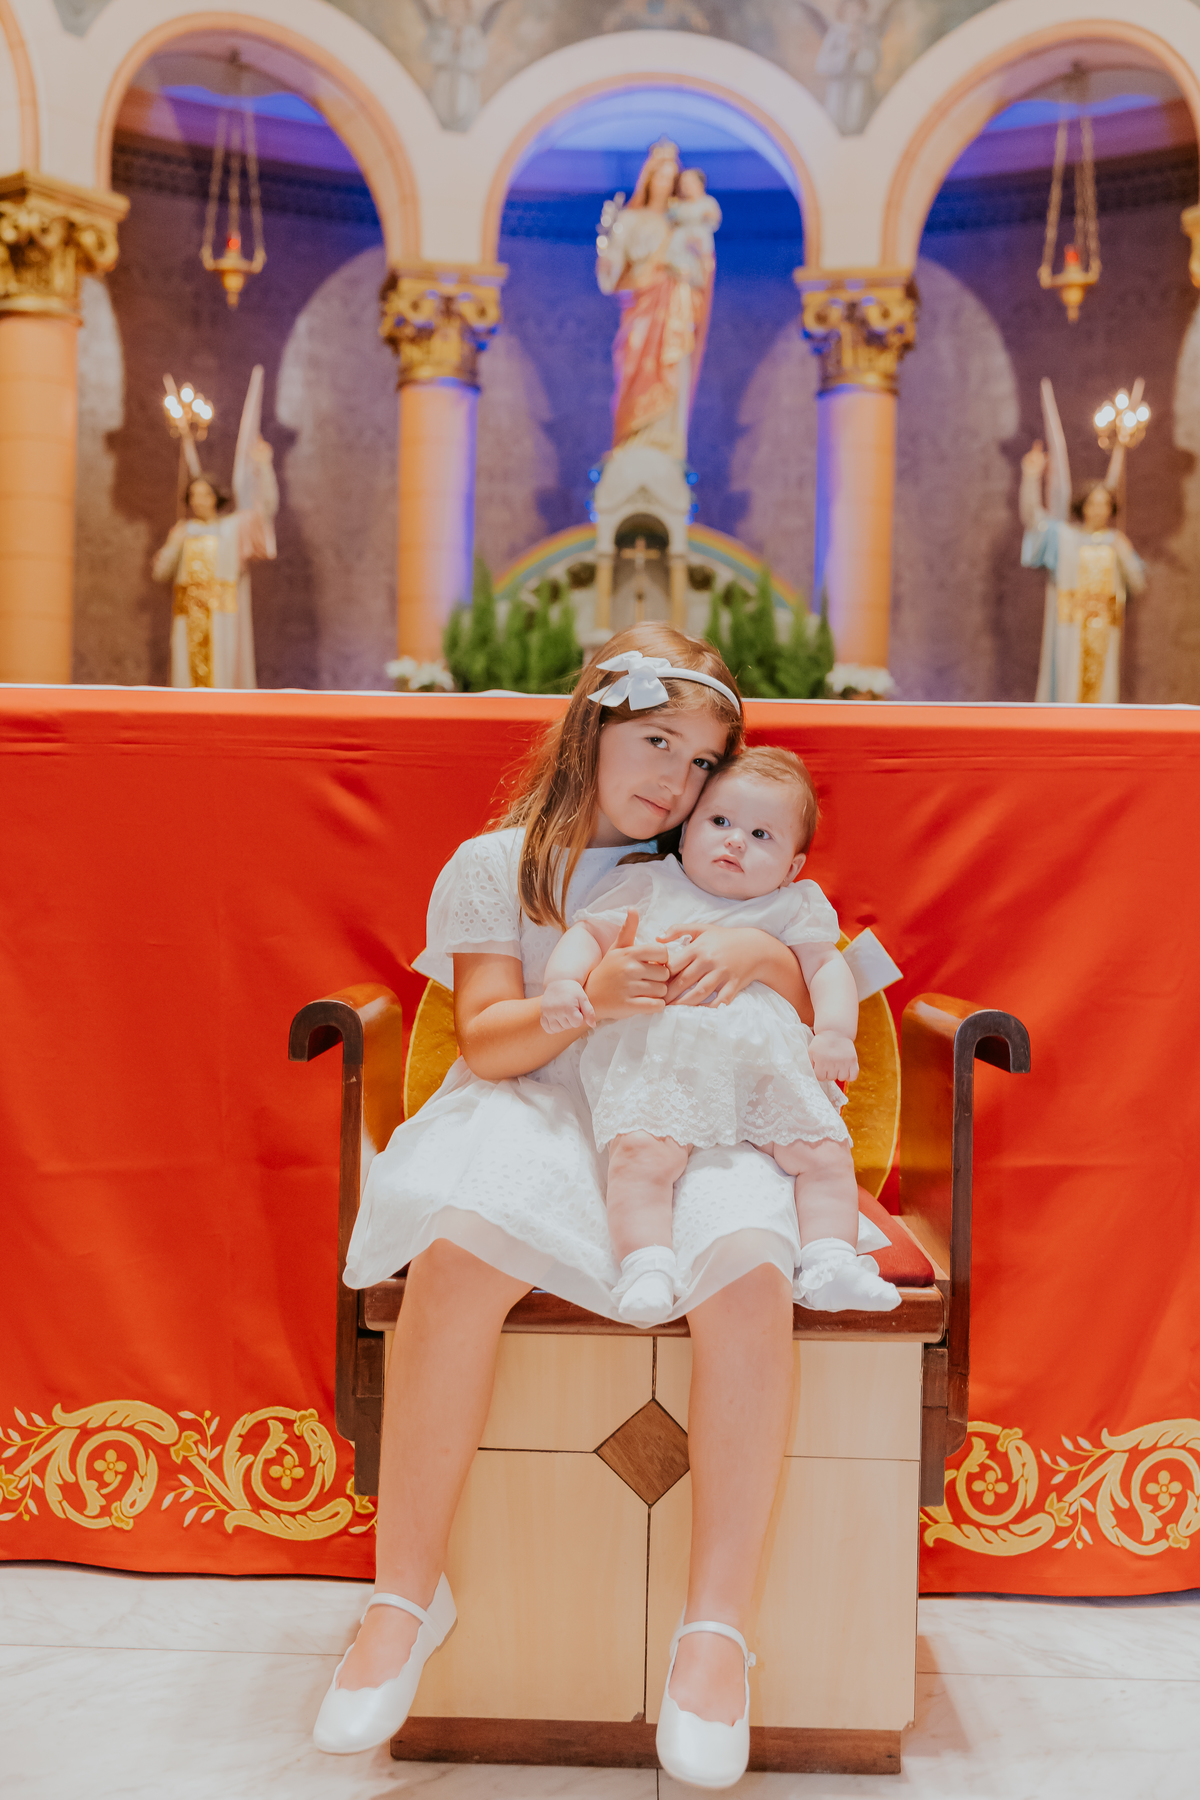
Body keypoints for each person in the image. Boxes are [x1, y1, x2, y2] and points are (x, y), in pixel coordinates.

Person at [313, 624, 850, 1788]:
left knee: (748, 1273)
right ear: (593, 730)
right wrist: (589, 999)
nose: (677, 780)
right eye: (656, 741)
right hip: (538, 1099)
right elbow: (495, 1042)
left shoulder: (718, 861)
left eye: (704, 761)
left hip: (685, 1100)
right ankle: (404, 1596)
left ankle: (714, 1635)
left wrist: (759, 960)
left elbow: (818, 986)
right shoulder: (497, 864)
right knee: (459, 1252)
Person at [541, 741, 899, 1325]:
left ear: (792, 867)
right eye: (720, 821)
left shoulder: (791, 906)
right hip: (665, 1067)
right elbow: (588, 935)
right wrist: (562, 984)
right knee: (640, 1158)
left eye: (762, 835)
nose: (735, 840)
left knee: (824, 1154)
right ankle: (646, 1267)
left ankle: (831, 1261)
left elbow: (827, 966)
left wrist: (835, 1032)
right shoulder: (652, 884)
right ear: (685, 833)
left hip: (764, 1071)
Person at [596, 141, 717, 458]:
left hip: (674, 309)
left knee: (672, 368)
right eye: (660, 175)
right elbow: (610, 274)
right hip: (642, 308)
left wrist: (694, 262)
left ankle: (665, 442)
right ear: (648, 179)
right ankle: (632, 438)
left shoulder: (681, 224)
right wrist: (607, 258)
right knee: (636, 364)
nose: (666, 182)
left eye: (671, 176)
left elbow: (701, 269)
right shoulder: (630, 221)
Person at [1020, 439, 1146, 704]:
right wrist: (1031, 478)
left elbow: (1137, 583)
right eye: (1093, 503)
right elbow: (1034, 519)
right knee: (1068, 684)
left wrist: (1125, 554)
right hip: (1070, 625)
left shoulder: (1116, 542)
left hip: (1105, 628)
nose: (1098, 510)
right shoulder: (1065, 538)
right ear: (1083, 506)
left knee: (1102, 692)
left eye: (1104, 504)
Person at [150, 441, 277, 690]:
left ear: (216, 496)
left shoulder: (232, 528)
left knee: (222, 675)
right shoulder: (184, 532)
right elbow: (160, 574)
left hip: (222, 616)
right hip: (188, 616)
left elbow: (267, 511)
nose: (198, 500)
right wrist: (173, 544)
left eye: (204, 494)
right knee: (187, 679)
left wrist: (264, 466)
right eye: (194, 495)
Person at [664, 168, 722, 290]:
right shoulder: (678, 205)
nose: (686, 186)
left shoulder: (707, 202)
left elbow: (714, 219)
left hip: (699, 246)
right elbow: (669, 219)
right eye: (683, 183)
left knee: (697, 277)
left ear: (700, 184)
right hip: (679, 245)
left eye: (690, 182)